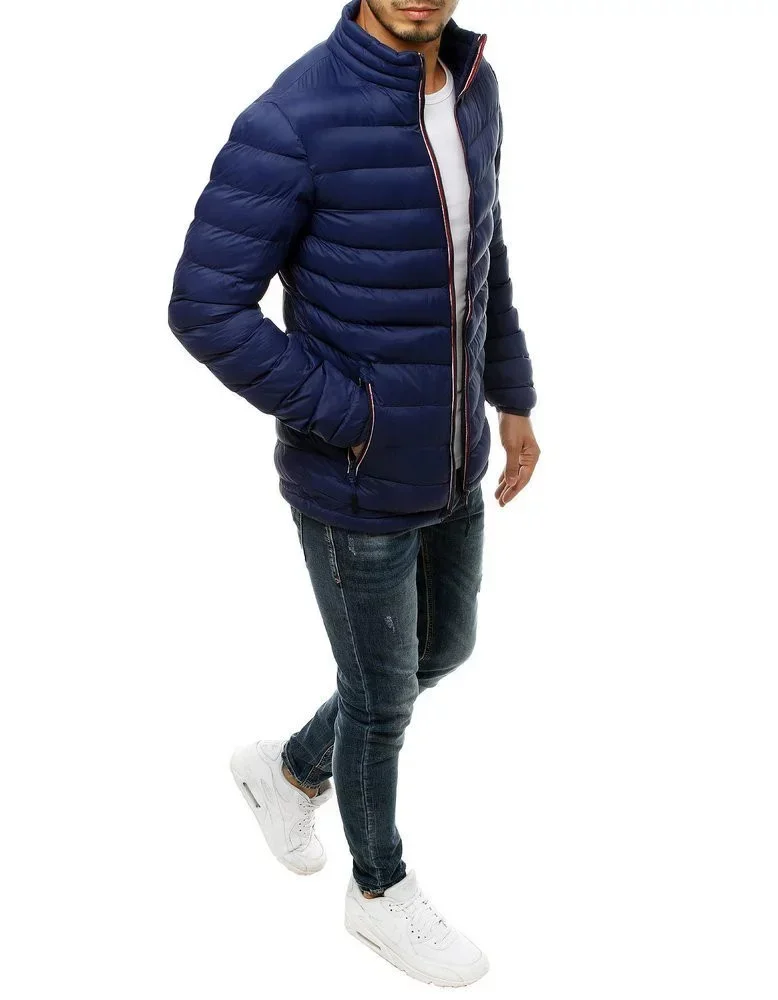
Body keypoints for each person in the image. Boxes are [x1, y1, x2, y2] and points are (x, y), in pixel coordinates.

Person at [168, 0, 539, 986]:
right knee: (381, 701)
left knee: (441, 649)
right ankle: (377, 891)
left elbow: (482, 257)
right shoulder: (293, 119)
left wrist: (511, 397)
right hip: (355, 476)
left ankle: (288, 770)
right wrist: (354, 414)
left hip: (453, 455)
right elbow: (203, 304)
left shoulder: (475, 89)